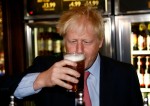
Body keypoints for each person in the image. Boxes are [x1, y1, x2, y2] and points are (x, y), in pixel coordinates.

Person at [11, 6, 143, 106]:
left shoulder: (125, 74)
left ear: (100, 41)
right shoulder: (46, 67)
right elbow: (8, 90)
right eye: (73, 41)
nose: (79, 50)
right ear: (64, 42)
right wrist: (42, 79)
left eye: (86, 42)